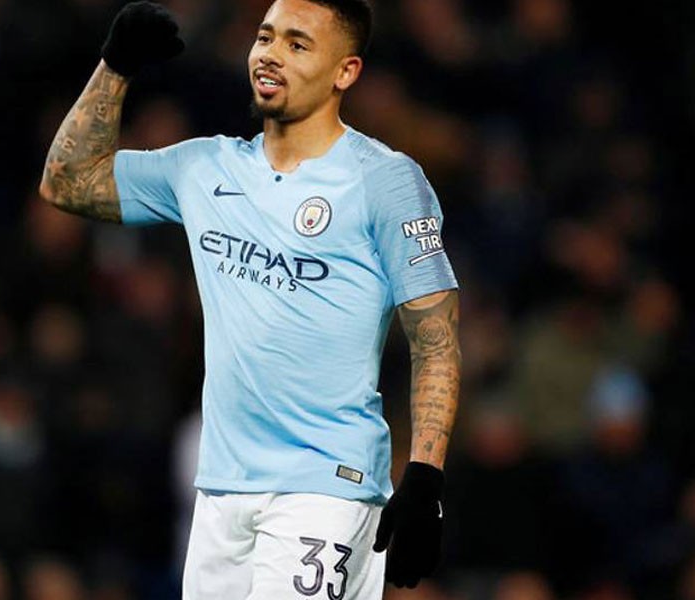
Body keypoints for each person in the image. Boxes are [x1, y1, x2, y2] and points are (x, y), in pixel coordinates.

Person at [39, 0, 461, 597]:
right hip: (220, 490)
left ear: (346, 71)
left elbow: (436, 339)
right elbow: (67, 181)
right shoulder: (205, 166)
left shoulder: (385, 180)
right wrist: (115, 66)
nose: (270, 54)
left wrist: (424, 479)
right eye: (266, 37)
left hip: (326, 488)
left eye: (297, 43)